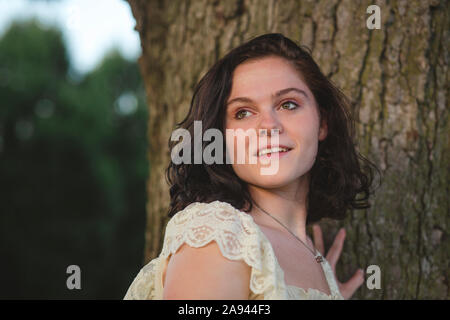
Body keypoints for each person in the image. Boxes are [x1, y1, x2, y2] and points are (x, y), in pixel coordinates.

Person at [124, 33, 379, 300]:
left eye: (288, 104)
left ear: (322, 124)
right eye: (243, 112)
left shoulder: (314, 258)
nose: (269, 126)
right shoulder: (217, 233)